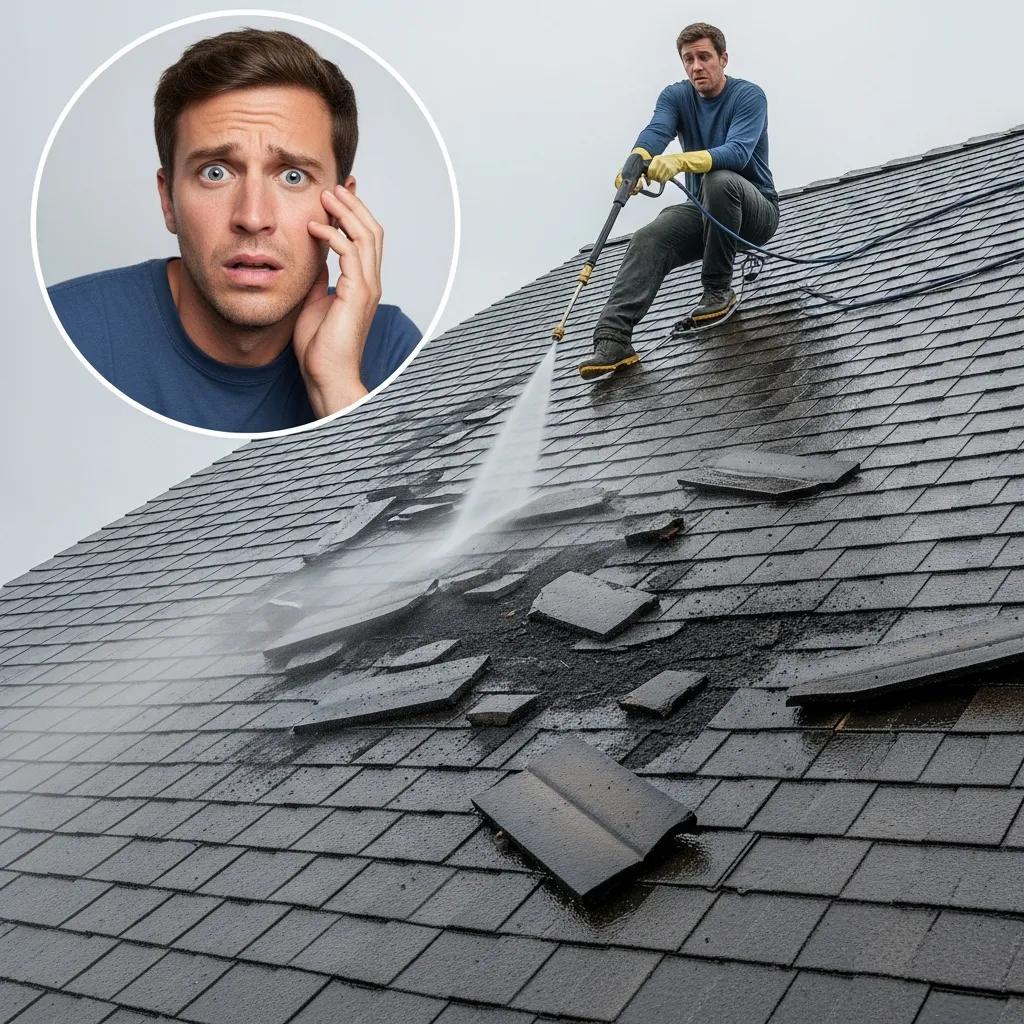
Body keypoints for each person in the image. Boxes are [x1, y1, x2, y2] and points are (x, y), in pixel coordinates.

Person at [48, 28, 421, 432]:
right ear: (168, 200)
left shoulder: (390, 348)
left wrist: (336, 386)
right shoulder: (63, 331)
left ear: (342, 210)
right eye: (215, 173)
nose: (253, 217)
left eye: (293, 176)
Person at [579, 22, 780, 379]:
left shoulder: (749, 97)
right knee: (649, 237)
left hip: (755, 211)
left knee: (718, 180)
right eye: (688, 59)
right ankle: (613, 339)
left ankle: (717, 291)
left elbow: (737, 153)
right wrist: (635, 163)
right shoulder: (676, 96)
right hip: (706, 210)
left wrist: (679, 161)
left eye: (704, 57)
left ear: (723, 59)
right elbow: (657, 130)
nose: (696, 66)